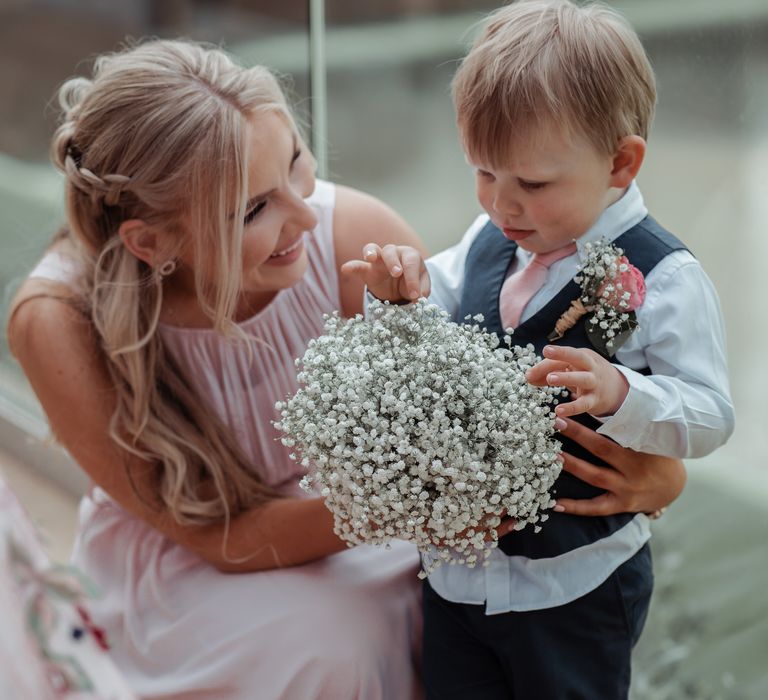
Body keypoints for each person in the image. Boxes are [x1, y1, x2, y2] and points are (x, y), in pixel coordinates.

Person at [7, 37, 686, 700]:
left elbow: (489, 406)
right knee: (336, 650)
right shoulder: (58, 321)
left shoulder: (350, 238)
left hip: (374, 521)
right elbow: (218, 537)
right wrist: (421, 504)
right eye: (253, 209)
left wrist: (655, 468)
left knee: (475, 615)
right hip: (196, 556)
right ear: (152, 242)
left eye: (296, 165)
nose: (307, 213)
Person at [354, 1, 734, 698]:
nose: (503, 206)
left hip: (577, 586)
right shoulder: (487, 236)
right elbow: (434, 310)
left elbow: (711, 415)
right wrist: (398, 295)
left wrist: (625, 395)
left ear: (620, 162)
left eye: (532, 183)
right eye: (484, 174)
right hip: (460, 577)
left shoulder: (664, 278)